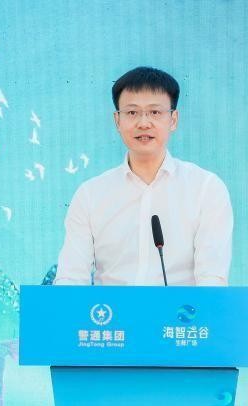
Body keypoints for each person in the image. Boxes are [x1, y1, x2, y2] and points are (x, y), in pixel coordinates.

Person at [54, 66, 233, 286]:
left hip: (181, 309)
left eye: (155, 112)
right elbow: (70, 279)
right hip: (110, 309)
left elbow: (212, 281)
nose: (144, 123)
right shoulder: (90, 195)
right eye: (132, 113)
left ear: (173, 119)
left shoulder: (206, 189)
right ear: (117, 120)